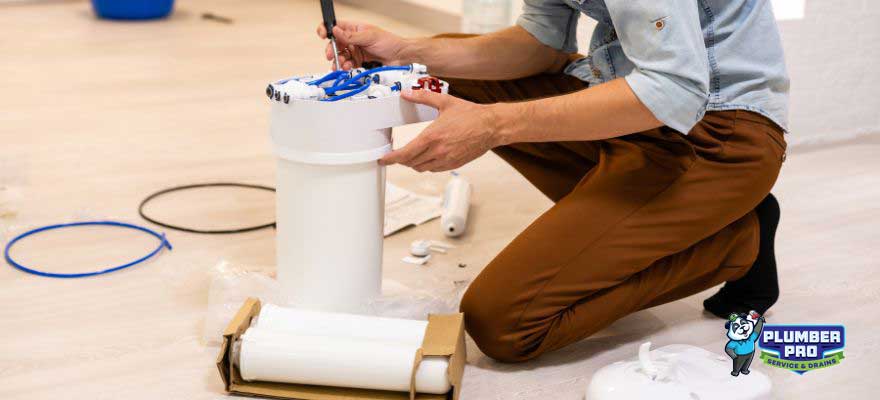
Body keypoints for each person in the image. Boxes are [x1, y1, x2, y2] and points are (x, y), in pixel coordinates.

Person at [317, 0, 788, 363]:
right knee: (436, 74)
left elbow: (674, 89)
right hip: (633, 112)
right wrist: (405, 52)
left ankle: (734, 241)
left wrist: (493, 125)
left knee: (504, 323)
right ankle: (670, 217)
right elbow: (541, 42)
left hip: (715, 136)